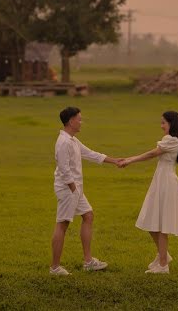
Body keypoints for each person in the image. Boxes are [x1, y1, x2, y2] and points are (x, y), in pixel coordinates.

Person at [50, 106, 121, 276]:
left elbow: (91, 154)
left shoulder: (72, 140)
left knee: (88, 215)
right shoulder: (63, 142)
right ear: (70, 121)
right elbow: (64, 168)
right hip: (68, 189)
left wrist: (114, 160)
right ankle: (54, 268)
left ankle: (88, 261)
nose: (81, 122)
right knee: (62, 224)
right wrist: (73, 188)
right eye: (79, 119)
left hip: (76, 189)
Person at [118, 111, 178, 274]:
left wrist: (129, 160)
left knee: (161, 224)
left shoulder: (170, 140)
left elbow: (152, 154)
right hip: (161, 181)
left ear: (172, 123)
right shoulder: (174, 140)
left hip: (166, 183)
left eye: (164, 122)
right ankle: (164, 256)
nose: (161, 125)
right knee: (150, 219)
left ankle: (163, 265)